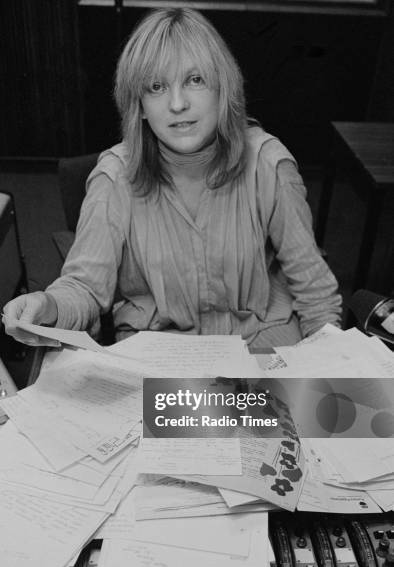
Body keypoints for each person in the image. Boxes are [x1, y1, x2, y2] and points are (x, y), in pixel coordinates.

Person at [3, 7, 342, 350]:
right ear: (140, 105)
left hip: (260, 342)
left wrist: (332, 368)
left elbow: (315, 292)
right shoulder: (115, 177)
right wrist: (47, 305)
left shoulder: (267, 163)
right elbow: (85, 288)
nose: (177, 103)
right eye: (156, 86)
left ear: (222, 88)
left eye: (195, 80)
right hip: (160, 351)